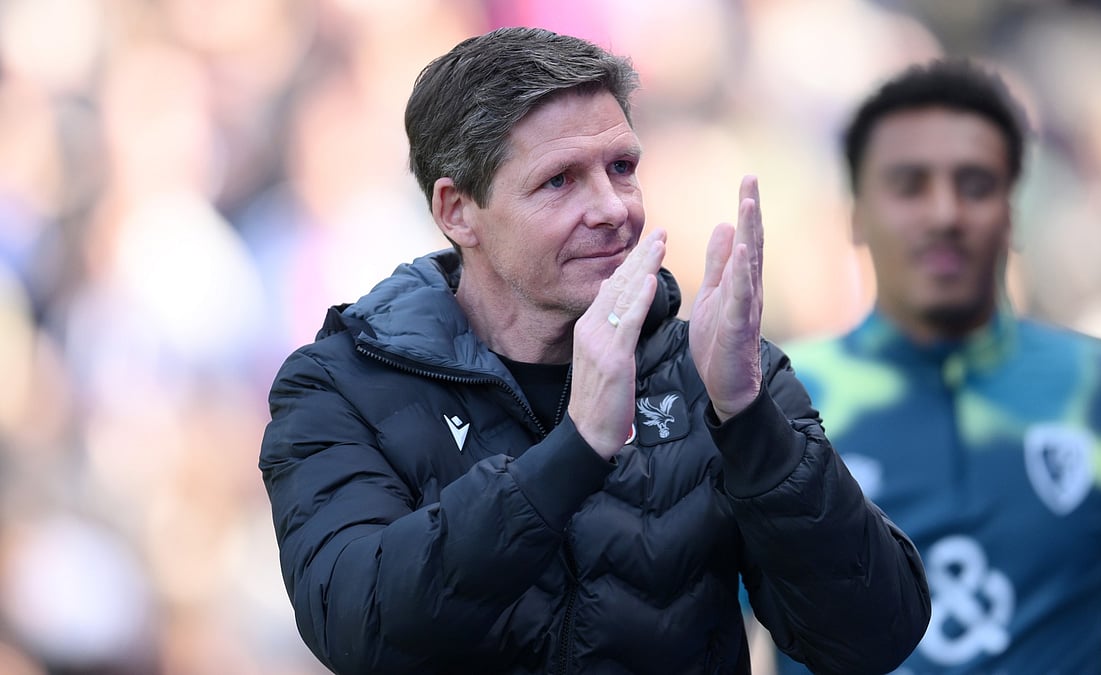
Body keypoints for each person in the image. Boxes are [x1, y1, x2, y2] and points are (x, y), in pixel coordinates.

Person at [258, 26, 930, 675]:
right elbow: (358, 624)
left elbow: (872, 635)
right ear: (457, 210)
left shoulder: (719, 371)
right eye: (560, 181)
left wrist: (750, 421)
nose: (613, 207)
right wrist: (573, 451)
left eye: (622, 168)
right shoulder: (339, 386)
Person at [769, 59, 1101, 674]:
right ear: (856, 217)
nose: (945, 213)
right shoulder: (779, 402)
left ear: (1014, 213)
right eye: (909, 184)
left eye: (975, 183)